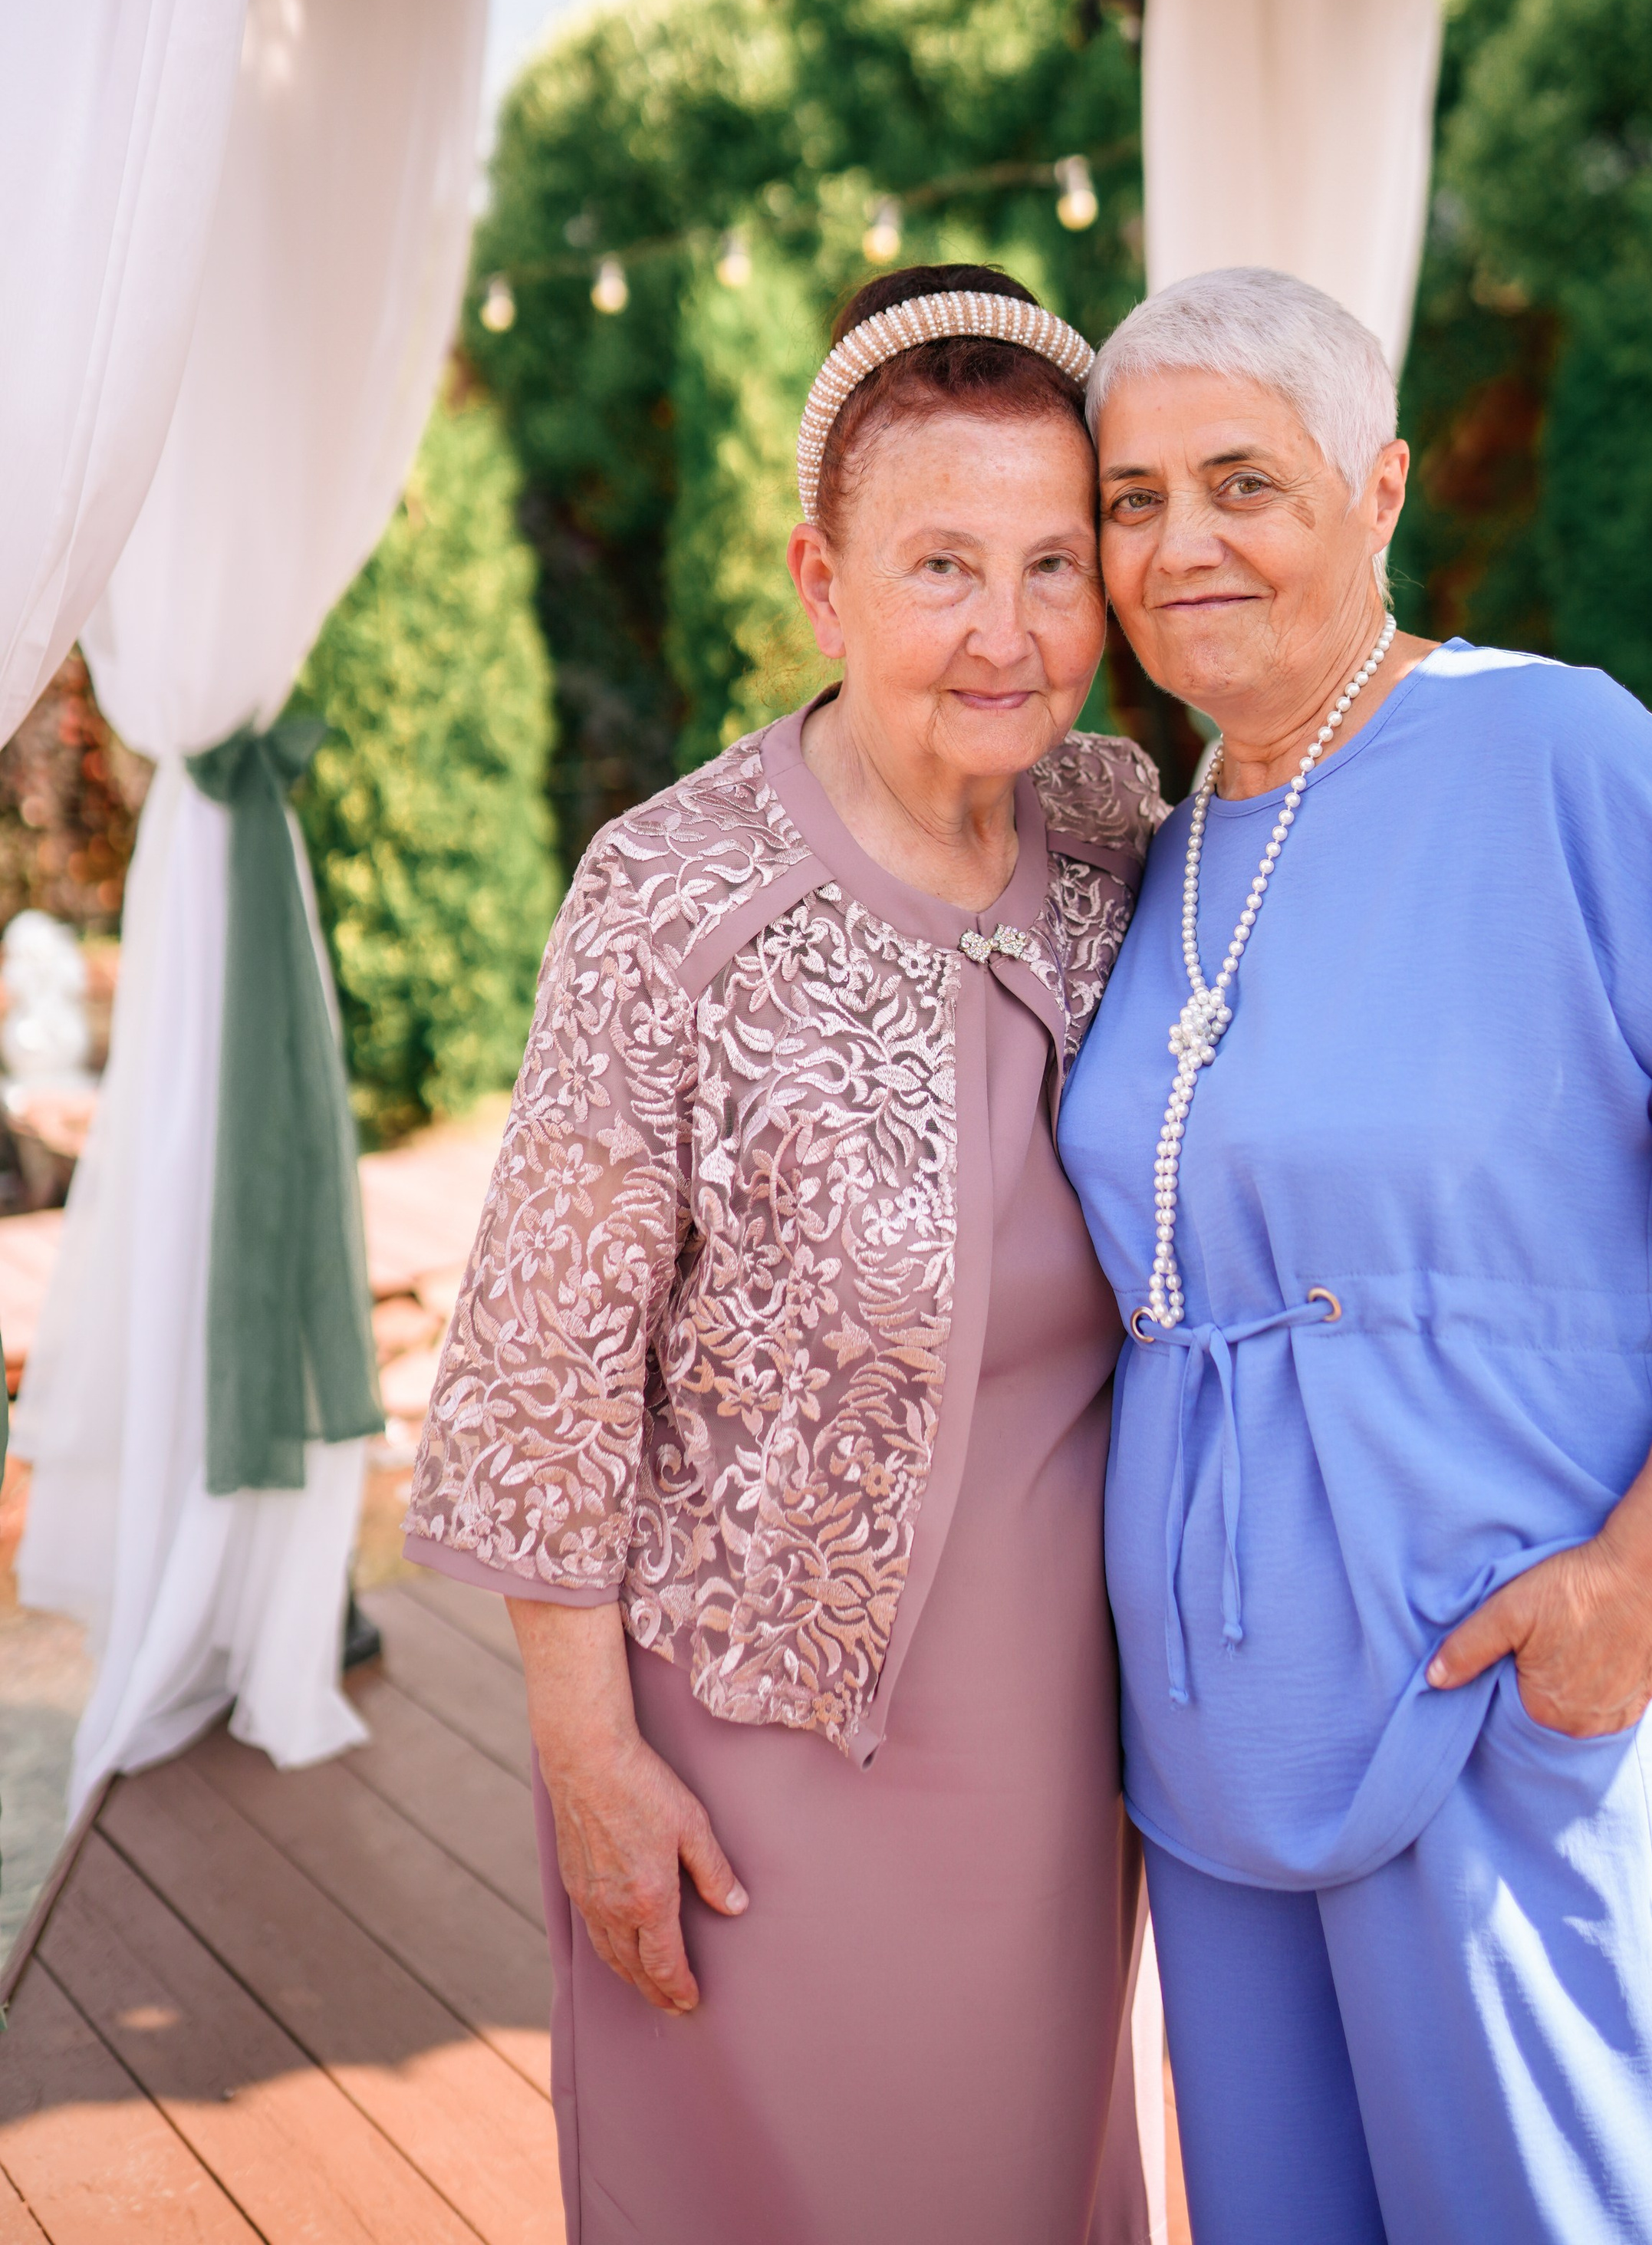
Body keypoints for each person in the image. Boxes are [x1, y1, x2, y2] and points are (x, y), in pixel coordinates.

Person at [1058, 264, 1652, 2245]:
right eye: (1130, 500)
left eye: (1242, 485)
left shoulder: (1564, 759)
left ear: (1376, 494)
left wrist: (1634, 1593)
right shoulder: (1157, 842)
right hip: (1213, 1746)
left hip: (1498, 1691)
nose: (1179, 542)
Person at [406, 266, 1166, 2245]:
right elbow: (538, 1370)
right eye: (940, 566)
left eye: (1054, 566)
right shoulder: (669, 895)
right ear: (825, 584)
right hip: (741, 1747)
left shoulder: (1120, 827)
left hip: (1056, 1734)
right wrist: (588, 1757)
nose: (1006, 635)